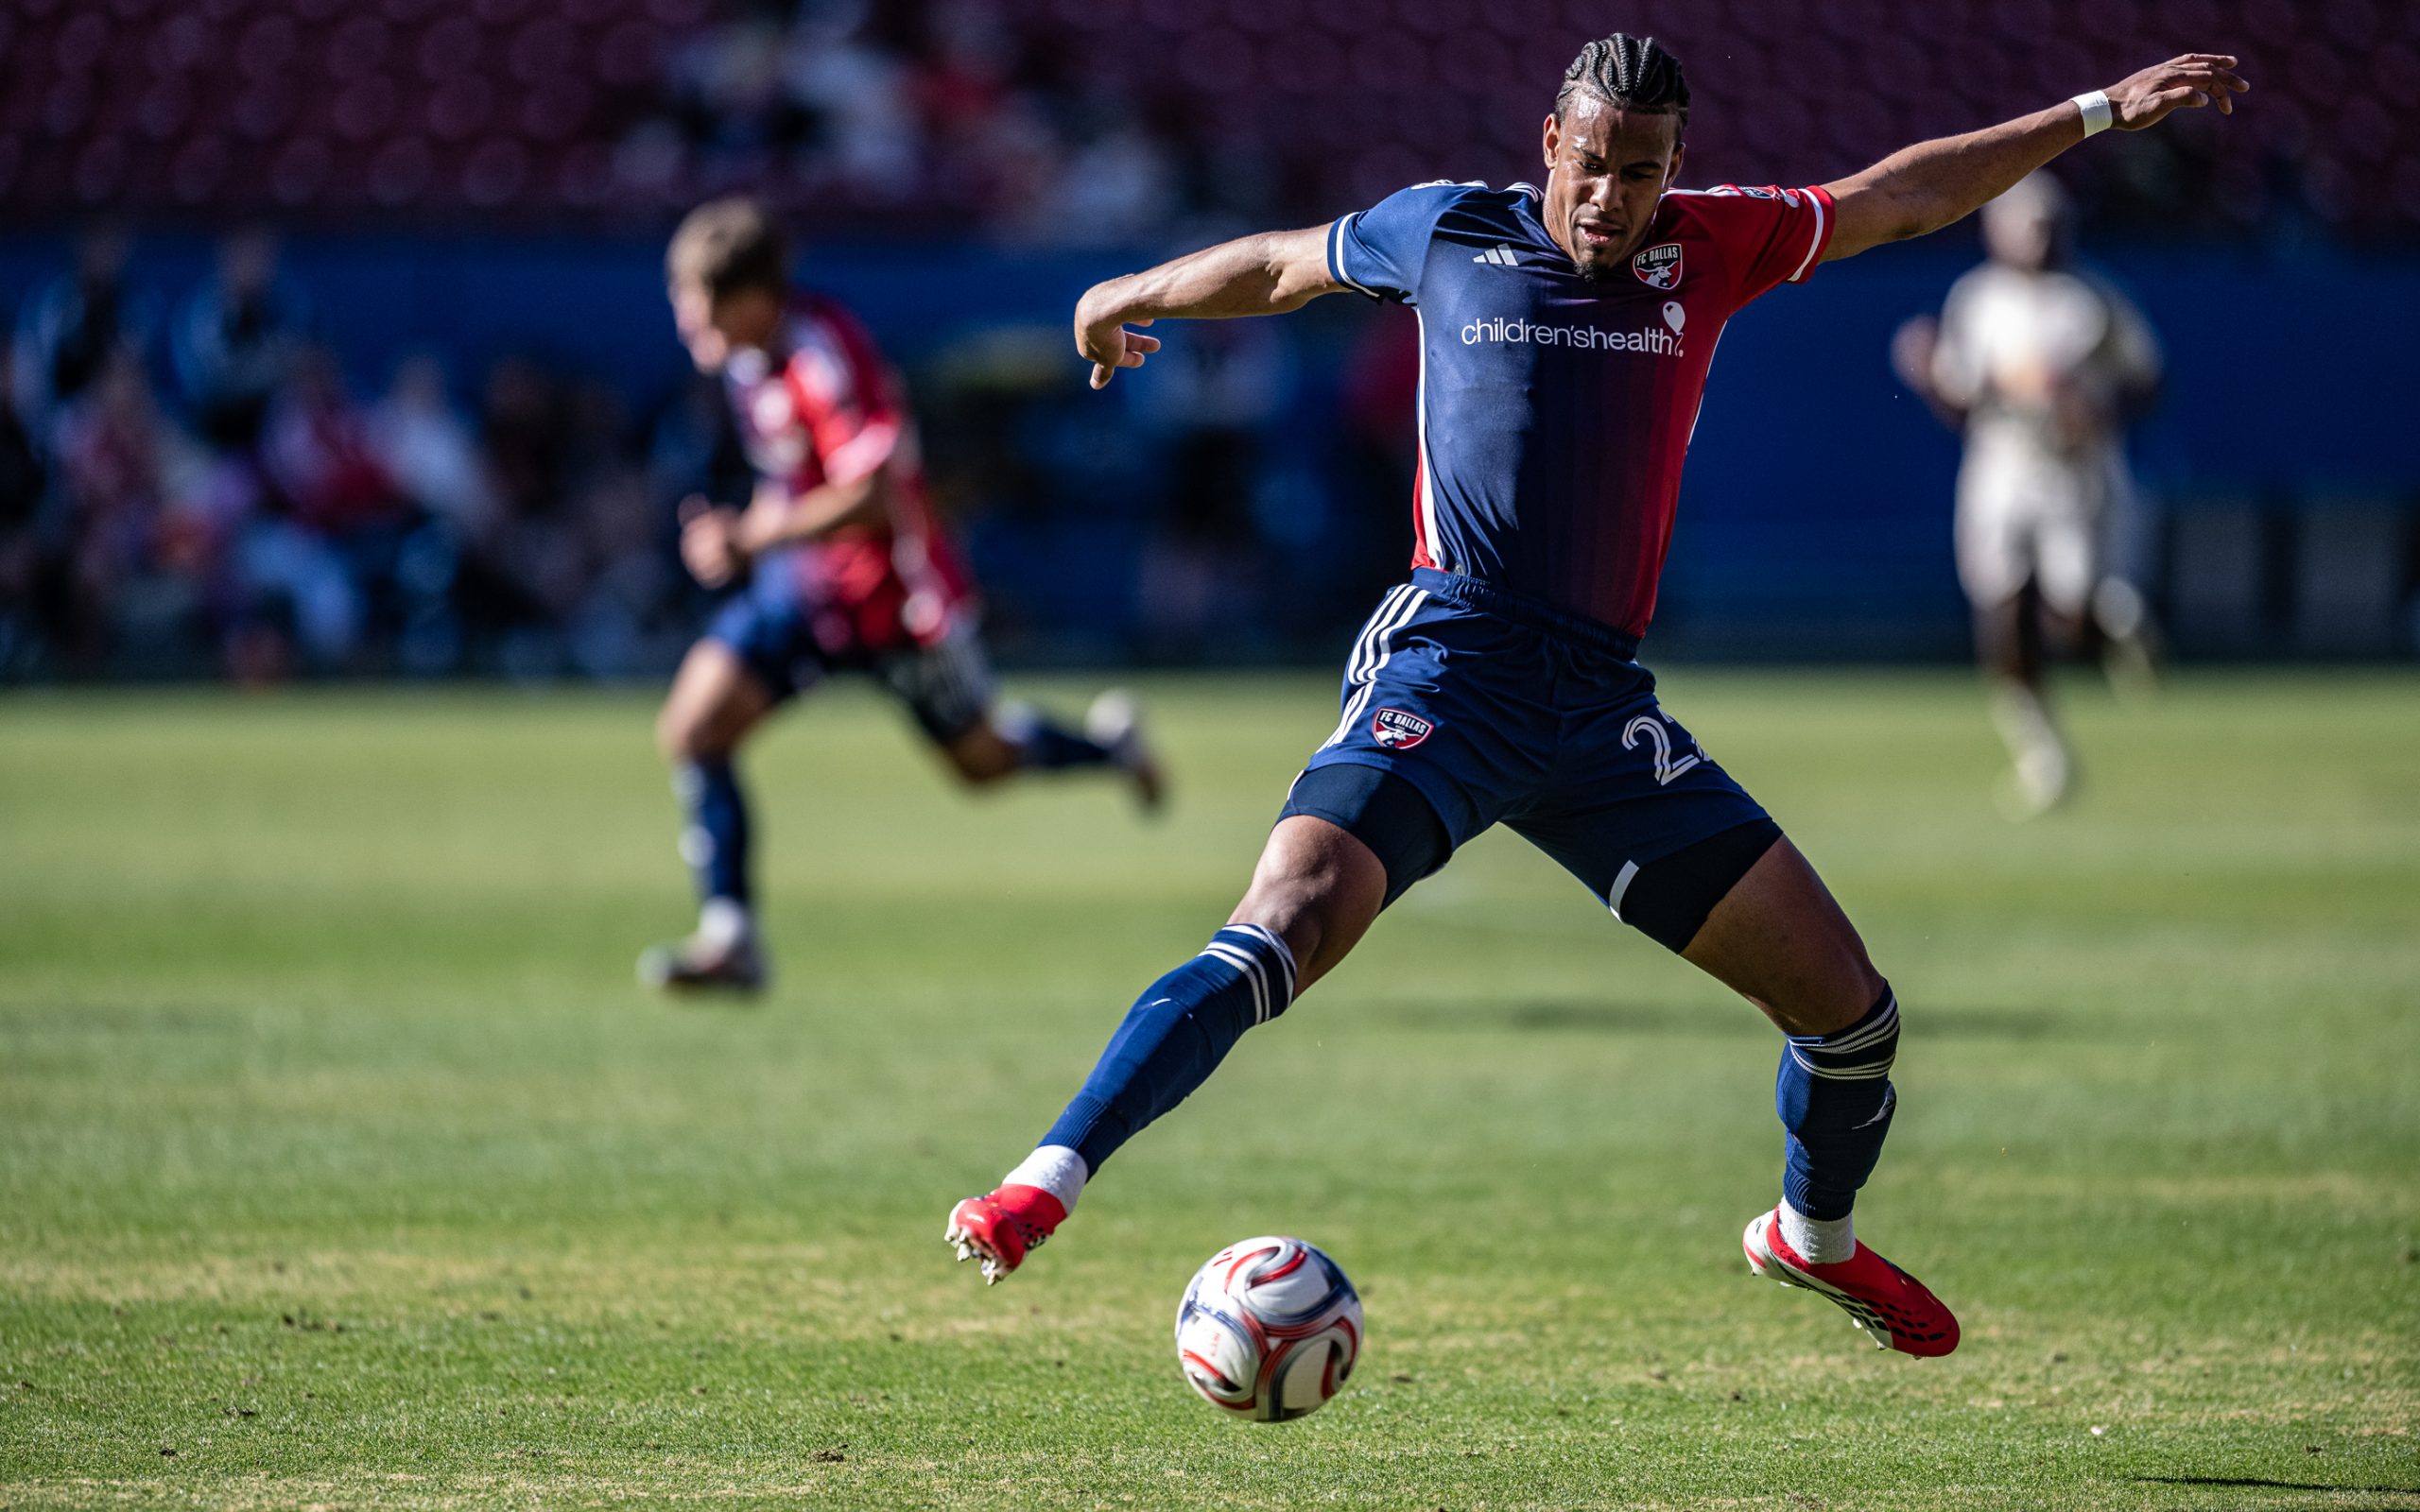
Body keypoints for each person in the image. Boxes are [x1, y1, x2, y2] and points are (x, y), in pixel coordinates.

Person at [946, 35, 2244, 1357]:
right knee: (1281, 923)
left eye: (1644, 171)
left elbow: (1899, 195)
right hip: (1449, 667)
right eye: (1594, 164)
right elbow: (1281, 262)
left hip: (1599, 712)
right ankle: (1041, 1185)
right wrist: (1132, 290)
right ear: (1550, 147)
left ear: (1676, 168)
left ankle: (1815, 1239)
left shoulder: (1716, 245)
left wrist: (2091, 112)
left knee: (1852, 1016)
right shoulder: (1445, 231)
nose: (1613, 197)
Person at [644, 198, 1165, 992]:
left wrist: (750, 540)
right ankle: (732, 936)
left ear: (749, 299)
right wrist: (742, 534)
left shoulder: (823, 356)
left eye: (698, 304)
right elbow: (802, 484)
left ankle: (1107, 749)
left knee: (983, 765)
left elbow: (876, 490)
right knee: (694, 728)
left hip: (896, 600)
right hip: (808, 591)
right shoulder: (754, 361)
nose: (687, 323)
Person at [1893, 173, 2164, 818]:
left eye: (2046, 224)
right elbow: (1964, 400)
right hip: (2002, 468)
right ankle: (2042, 752)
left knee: (2068, 615)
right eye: (2025, 225)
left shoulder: (2090, 298)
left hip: (2072, 472)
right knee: (2000, 610)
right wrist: (1930, 376)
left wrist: (2098, 411)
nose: (2036, 238)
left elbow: (2146, 380)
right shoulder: (1978, 299)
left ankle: (2112, 621)